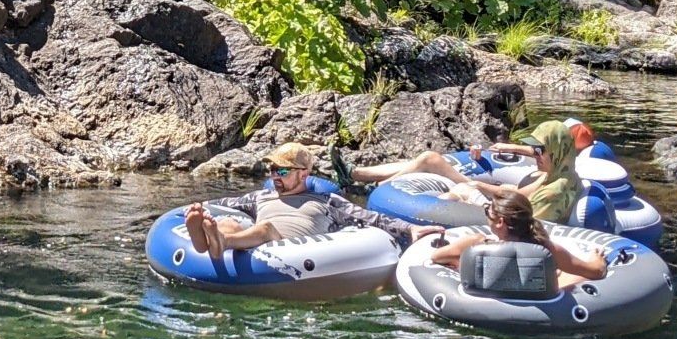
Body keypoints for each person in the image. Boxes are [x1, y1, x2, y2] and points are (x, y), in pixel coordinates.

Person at [182, 142, 441, 270]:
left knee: (265, 229)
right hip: (249, 237)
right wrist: (199, 208)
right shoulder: (261, 197)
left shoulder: (326, 201)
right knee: (226, 222)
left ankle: (218, 243)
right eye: (272, 170)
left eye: (282, 170)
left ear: (304, 174)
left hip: (282, 243)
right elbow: (224, 204)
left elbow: (372, 218)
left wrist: (410, 229)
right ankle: (213, 239)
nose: (275, 176)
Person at [347, 118, 583, 224]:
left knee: (452, 187)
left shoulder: (555, 191)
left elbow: (525, 225)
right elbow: (517, 193)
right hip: (505, 206)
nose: (535, 154)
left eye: (540, 150)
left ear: (558, 151)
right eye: (535, 149)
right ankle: (357, 176)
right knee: (442, 174)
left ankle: (362, 184)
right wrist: (481, 186)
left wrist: (477, 191)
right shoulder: (556, 174)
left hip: (504, 219)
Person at [428, 187, 608, 291]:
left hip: (487, 310)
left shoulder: (477, 244)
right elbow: (595, 272)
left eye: (487, 212)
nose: (485, 216)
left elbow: (437, 257)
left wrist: (461, 258)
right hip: (539, 310)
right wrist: (597, 259)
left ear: (500, 222)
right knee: (569, 274)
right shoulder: (544, 249)